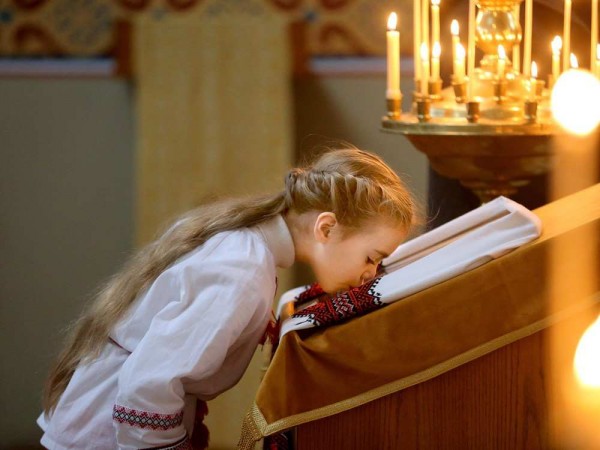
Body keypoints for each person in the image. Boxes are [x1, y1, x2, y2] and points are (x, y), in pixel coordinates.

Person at [38, 147, 417, 449]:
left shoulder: (252, 249)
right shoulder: (240, 271)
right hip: (111, 430)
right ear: (327, 227)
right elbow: (147, 385)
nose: (372, 275)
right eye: (373, 258)